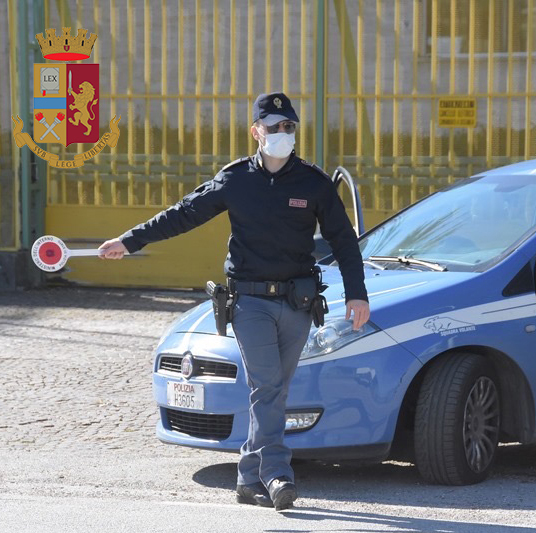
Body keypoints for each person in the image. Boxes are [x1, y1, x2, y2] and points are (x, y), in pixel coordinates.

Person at [98, 91, 370, 511]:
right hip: (250, 302)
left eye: (289, 127)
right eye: (275, 126)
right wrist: (130, 241)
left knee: (275, 392)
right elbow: (183, 213)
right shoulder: (236, 179)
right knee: (267, 386)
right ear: (255, 131)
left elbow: (344, 240)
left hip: (297, 302)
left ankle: (247, 477)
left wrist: (357, 294)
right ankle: (278, 474)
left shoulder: (313, 183)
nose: (283, 133)